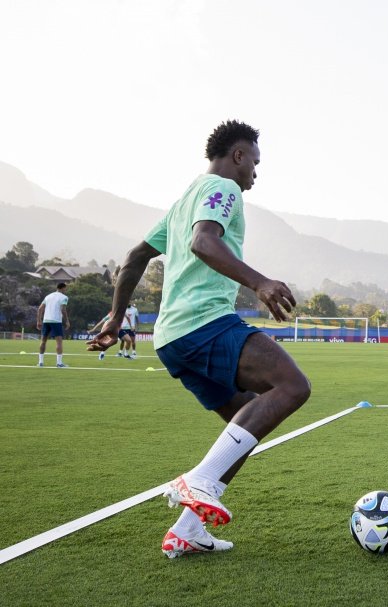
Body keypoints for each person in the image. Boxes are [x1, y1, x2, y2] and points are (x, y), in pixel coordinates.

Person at [87, 120, 311, 558]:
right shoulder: (222, 188)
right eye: (255, 162)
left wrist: (115, 319)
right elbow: (203, 243)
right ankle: (199, 482)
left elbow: (134, 258)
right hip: (202, 323)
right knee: (292, 386)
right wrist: (260, 282)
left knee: (244, 424)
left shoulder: (183, 201)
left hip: (172, 338)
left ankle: (188, 529)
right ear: (238, 156)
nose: (256, 173)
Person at [37, 282, 70, 368]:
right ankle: (59, 363)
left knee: (43, 341)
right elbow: (63, 310)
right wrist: (67, 321)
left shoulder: (48, 296)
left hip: (46, 320)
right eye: (65, 288)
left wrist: (39, 321)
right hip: (56, 321)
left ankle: (40, 362)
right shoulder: (64, 297)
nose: (66, 290)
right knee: (59, 342)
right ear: (63, 288)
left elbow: (40, 309)